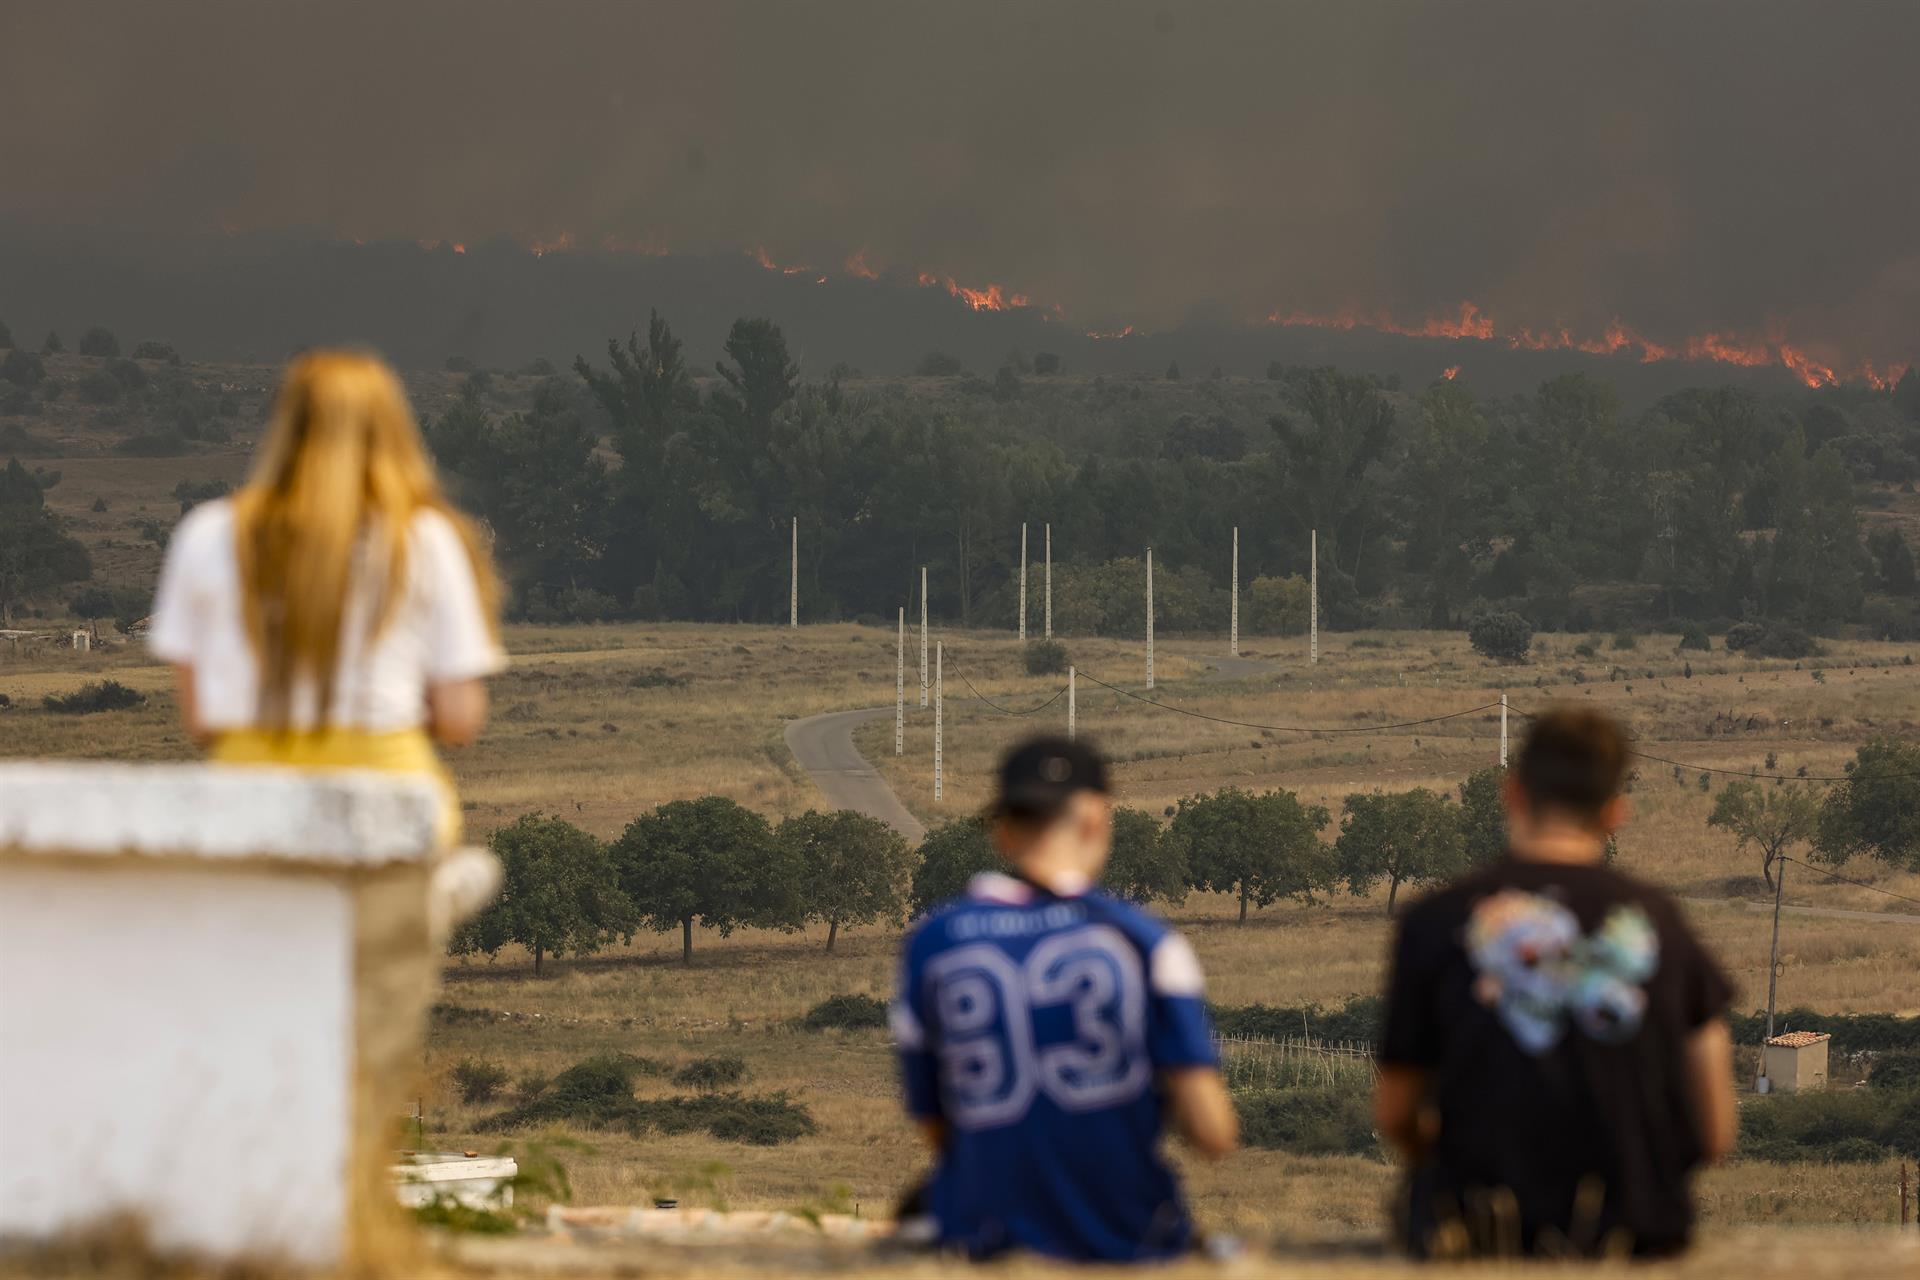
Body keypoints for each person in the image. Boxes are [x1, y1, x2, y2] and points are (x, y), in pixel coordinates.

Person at [1374, 707, 1737, 1260]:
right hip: (1637, 1234)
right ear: (1616, 813)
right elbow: (1714, 1132)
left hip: (1479, 1235)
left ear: (1512, 793)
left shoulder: (1436, 921)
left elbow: (1395, 1113)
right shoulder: (1660, 925)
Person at [891, 736, 1237, 1262]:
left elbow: (936, 1122)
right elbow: (1213, 1135)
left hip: (982, 1234)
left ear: (1002, 830)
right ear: (1096, 818)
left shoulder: (931, 944)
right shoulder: (1144, 941)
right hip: (1128, 1234)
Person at [148, 349, 504, 838]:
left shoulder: (209, 533)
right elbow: (460, 720)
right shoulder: (426, 539)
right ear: (392, 431)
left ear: (284, 429)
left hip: (245, 812)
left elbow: (199, 720)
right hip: (392, 808)